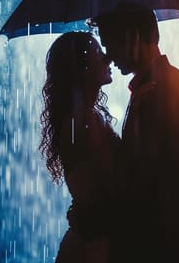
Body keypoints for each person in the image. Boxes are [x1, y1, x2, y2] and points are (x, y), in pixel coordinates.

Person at [90, 7, 179, 263]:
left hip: (160, 248)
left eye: (109, 44)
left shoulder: (159, 90)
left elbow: (143, 180)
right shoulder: (164, 82)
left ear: (132, 38)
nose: (109, 57)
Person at [39, 31, 119, 263]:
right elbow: (114, 185)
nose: (108, 58)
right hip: (92, 250)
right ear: (82, 67)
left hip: (88, 243)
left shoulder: (83, 117)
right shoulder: (82, 121)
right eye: (99, 53)